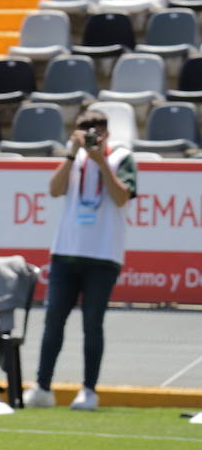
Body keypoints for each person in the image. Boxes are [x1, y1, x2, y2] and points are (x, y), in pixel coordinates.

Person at [23, 109, 137, 413]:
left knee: (92, 324)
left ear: (106, 132)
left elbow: (122, 196)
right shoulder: (74, 161)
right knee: (53, 323)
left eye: (95, 129)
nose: (89, 134)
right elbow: (54, 189)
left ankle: (88, 390)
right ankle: (43, 387)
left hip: (103, 254)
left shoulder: (120, 158)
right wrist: (72, 155)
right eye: (83, 128)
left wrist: (101, 161)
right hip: (66, 252)